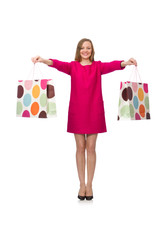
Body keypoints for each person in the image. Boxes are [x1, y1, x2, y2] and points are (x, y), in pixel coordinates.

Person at [31, 38, 137, 201]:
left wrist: (126, 63)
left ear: (92, 50)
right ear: (78, 50)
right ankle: (82, 185)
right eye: (82, 48)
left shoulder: (98, 66)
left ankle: (90, 185)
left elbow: (113, 65)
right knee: (80, 147)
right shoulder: (72, 66)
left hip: (94, 110)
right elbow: (57, 64)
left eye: (88, 48)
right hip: (77, 111)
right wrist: (43, 60)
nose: (85, 50)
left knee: (91, 147)